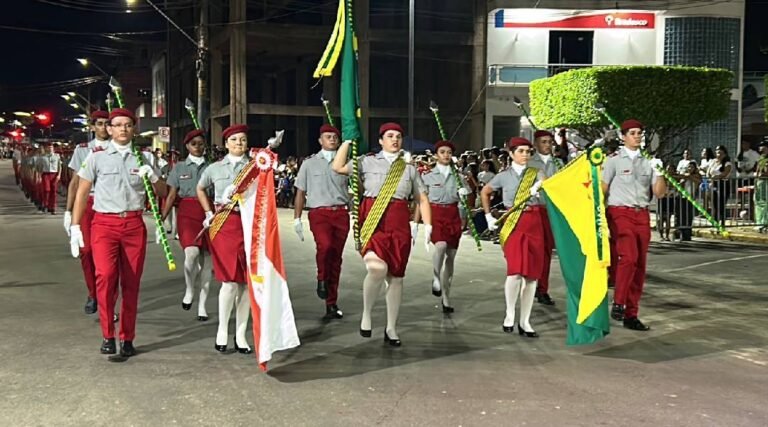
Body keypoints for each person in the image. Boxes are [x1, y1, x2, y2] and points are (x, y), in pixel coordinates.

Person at [70, 108, 167, 358]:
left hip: (134, 225)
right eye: (117, 125)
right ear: (109, 129)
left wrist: (153, 176)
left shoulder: (144, 158)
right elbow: (82, 192)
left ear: (133, 129)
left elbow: (163, 191)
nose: (123, 129)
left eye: (127, 125)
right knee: (105, 276)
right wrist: (75, 225)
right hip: (104, 225)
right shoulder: (96, 157)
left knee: (131, 284)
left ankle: (127, 338)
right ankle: (107, 335)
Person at [331, 122, 431, 347]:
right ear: (380, 140)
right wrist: (347, 141)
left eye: (398, 136)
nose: (394, 140)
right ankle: (366, 314)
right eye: (389, 136)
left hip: (398, 224)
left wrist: (428, 226)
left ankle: (391, 328)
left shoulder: (409, 169)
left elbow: (421, 198)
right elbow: (337, 167)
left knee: (396, 277)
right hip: (373, 221)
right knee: (377, 269)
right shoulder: (365, 161)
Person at [602, 119, 667, 331]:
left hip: (642, 215)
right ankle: (619, 301)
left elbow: (659, 193)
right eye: (633, 133)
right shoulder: (613, 161)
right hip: (620, 213)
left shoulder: (648, 162)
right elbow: (602, 188)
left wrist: (660, 173)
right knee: (628, 257)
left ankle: (631, 314)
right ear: (623, 137)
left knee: (639, 266)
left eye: (640, 133)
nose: (637, 136)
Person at [481, 136, 546, 338]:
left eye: (528, 151)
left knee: (532, 275)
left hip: (534, 223)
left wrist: (540, 186)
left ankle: (525, 320)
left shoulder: (537, 173)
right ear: (511, 153)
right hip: (513, 224)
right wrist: (487, 215)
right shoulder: (503, 176)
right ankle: (510, 313)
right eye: (520, 151)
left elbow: (549, 185)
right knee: (515, 272)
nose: (525, 155)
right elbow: (485, 192)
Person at [196, 124, 253, 354]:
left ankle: (240, 334)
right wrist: (209, 212)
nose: (239, 143)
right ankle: (222, 330)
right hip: (224, 224)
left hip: (248, 224)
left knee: (246, 283)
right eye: (235, 140)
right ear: (226, 143)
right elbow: (200, 189)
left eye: (243, 139)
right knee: (229, 281)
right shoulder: (214, 168)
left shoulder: (255, 167)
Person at [293, 124, 349, 320]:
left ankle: (331, 303)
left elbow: (356, 188)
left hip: (341, 213)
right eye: (328, 136)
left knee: (336, 258)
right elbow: (300, 191)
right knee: (324, 247)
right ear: (320, 140)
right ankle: (321, 278)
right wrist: (297, 218)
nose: (332, 139)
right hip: (319, 213)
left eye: (335, 136)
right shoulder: (309, 164)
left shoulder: (346, 163)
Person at [64, 110, 111, 314]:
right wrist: (68, 211)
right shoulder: (83, 150)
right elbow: (75, 182)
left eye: (106, 123)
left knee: (106, 256)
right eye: (99, 124)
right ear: (92, 127)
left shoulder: (118, 149)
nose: (103, 127)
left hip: (108, 203)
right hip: (87, 202)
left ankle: (104, 297)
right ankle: (93, 293)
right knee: (86, 251)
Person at [415, 139, 470, 312]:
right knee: (440, 245)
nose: (446, 155)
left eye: (449, 152)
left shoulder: (460, 178)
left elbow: (467, 200)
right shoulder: (427, 176)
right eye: (442, 152)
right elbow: (420, 201)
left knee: (451, 256)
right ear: (436, 155)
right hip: (436, 215)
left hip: (453, 215)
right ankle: (435, 277)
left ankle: (446, 297)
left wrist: (465, 197)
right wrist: (416, 223)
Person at [163, 129, 212, 321]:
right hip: (187, 212)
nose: (198, 147)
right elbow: (171, 195)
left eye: (201, 143)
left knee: (208, 261)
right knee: (191, 254)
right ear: (187, 146)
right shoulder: (179, 168)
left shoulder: (212, 167)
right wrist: (162, 218)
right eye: (194, 144)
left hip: (209, 212)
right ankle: (190, 289)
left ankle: (202, 305)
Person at [526, 129, 562, 306]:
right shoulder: (529, 163)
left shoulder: (559, 163)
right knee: (534, 251)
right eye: (543, 142)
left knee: (547, 250)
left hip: (551, 211)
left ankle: (542, 289)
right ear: (535, 144)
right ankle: (530, 285)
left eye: (549, 142)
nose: (547, 145)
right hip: (534, 209)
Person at [706, 145, 733, 227]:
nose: (718, 155)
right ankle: (715, 222)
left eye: (720, 153)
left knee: (721, 203)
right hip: (713, 184)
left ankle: (722, 222)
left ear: (724, 154)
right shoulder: (713, 161)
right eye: (717, 152)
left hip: (722, 184)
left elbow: (725, 173)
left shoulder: (727, 163)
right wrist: (709, 178)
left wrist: (717, 176)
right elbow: (708, 171)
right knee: (714, 203)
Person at [37, 141, 61, 214]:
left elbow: (60, 166)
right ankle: (45, 204)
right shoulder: (42, 157)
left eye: (51, 147)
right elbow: (39, 167)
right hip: (45, 174)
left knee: (53, 191)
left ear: (53, 148)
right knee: (46, 190)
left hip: (54, 174)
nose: (50, 149)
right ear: (46, 148)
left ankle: (52, 207)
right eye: (49, 147)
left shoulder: (57, 156)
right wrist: (39, 176)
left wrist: (59, 175)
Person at [754, 142, 768, 233]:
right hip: (759, 182)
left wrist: (762, 174)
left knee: (764, 203)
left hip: (765, 182)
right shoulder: (760, 158)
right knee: (758, 202)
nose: (761, 150)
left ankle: (764, 223)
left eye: (763, 148)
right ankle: (759, 222)